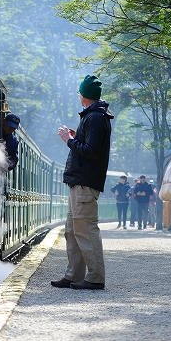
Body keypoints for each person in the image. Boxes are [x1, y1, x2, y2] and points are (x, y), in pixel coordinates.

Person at [51, 74, 113, 290]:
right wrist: (76, 137)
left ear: (84, 95)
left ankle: (95, 277)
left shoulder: (95, 117)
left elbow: (92, 152)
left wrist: (69, 141)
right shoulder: (93, 116)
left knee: (86, 230)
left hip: (85, 183)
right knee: (72, 230)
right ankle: (74, 275)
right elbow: (89, 145)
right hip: (79, 183)